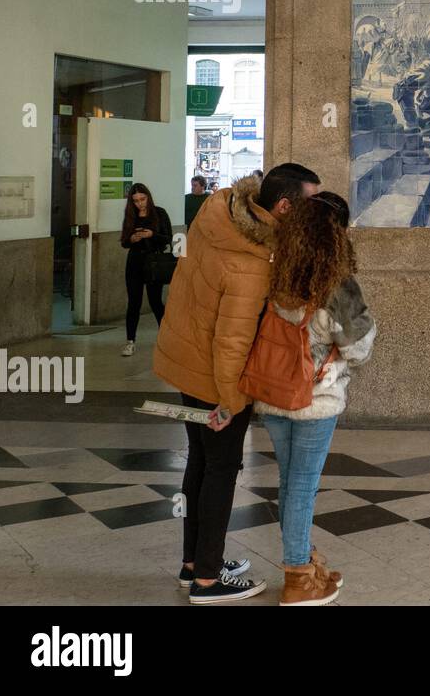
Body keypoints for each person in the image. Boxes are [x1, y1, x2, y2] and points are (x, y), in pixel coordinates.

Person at [153, 162, 321, 603]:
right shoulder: (250, 261)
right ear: (284, 207)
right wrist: (229, 402)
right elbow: (232, 342)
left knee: (200, 464)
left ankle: (194, 564)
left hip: (185, 360)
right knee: (222, 470)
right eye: (308, 206)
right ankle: (208, 581)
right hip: (215, 378)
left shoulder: (219, 213)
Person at [256, 192, 375, 606]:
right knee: (303, 487)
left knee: (290, 483)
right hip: (315, 400)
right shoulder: (337, 283)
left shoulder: (277, 274)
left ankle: (304, 559)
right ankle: (297, 579)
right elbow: (358, 348)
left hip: (272, 395)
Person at [119, 183, 172, 358]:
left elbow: (168, 238)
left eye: (142, 199)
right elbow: (124, 241)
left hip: (153, 262)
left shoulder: (159, 213)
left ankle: (166, 339)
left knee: (155, 301)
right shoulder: (130, 216)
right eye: (135, 201)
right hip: (135, 261)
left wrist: (152, 235)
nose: (140, 204)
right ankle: (130, 341)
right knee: (134, 303)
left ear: (148, 197)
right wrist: (132, 238)